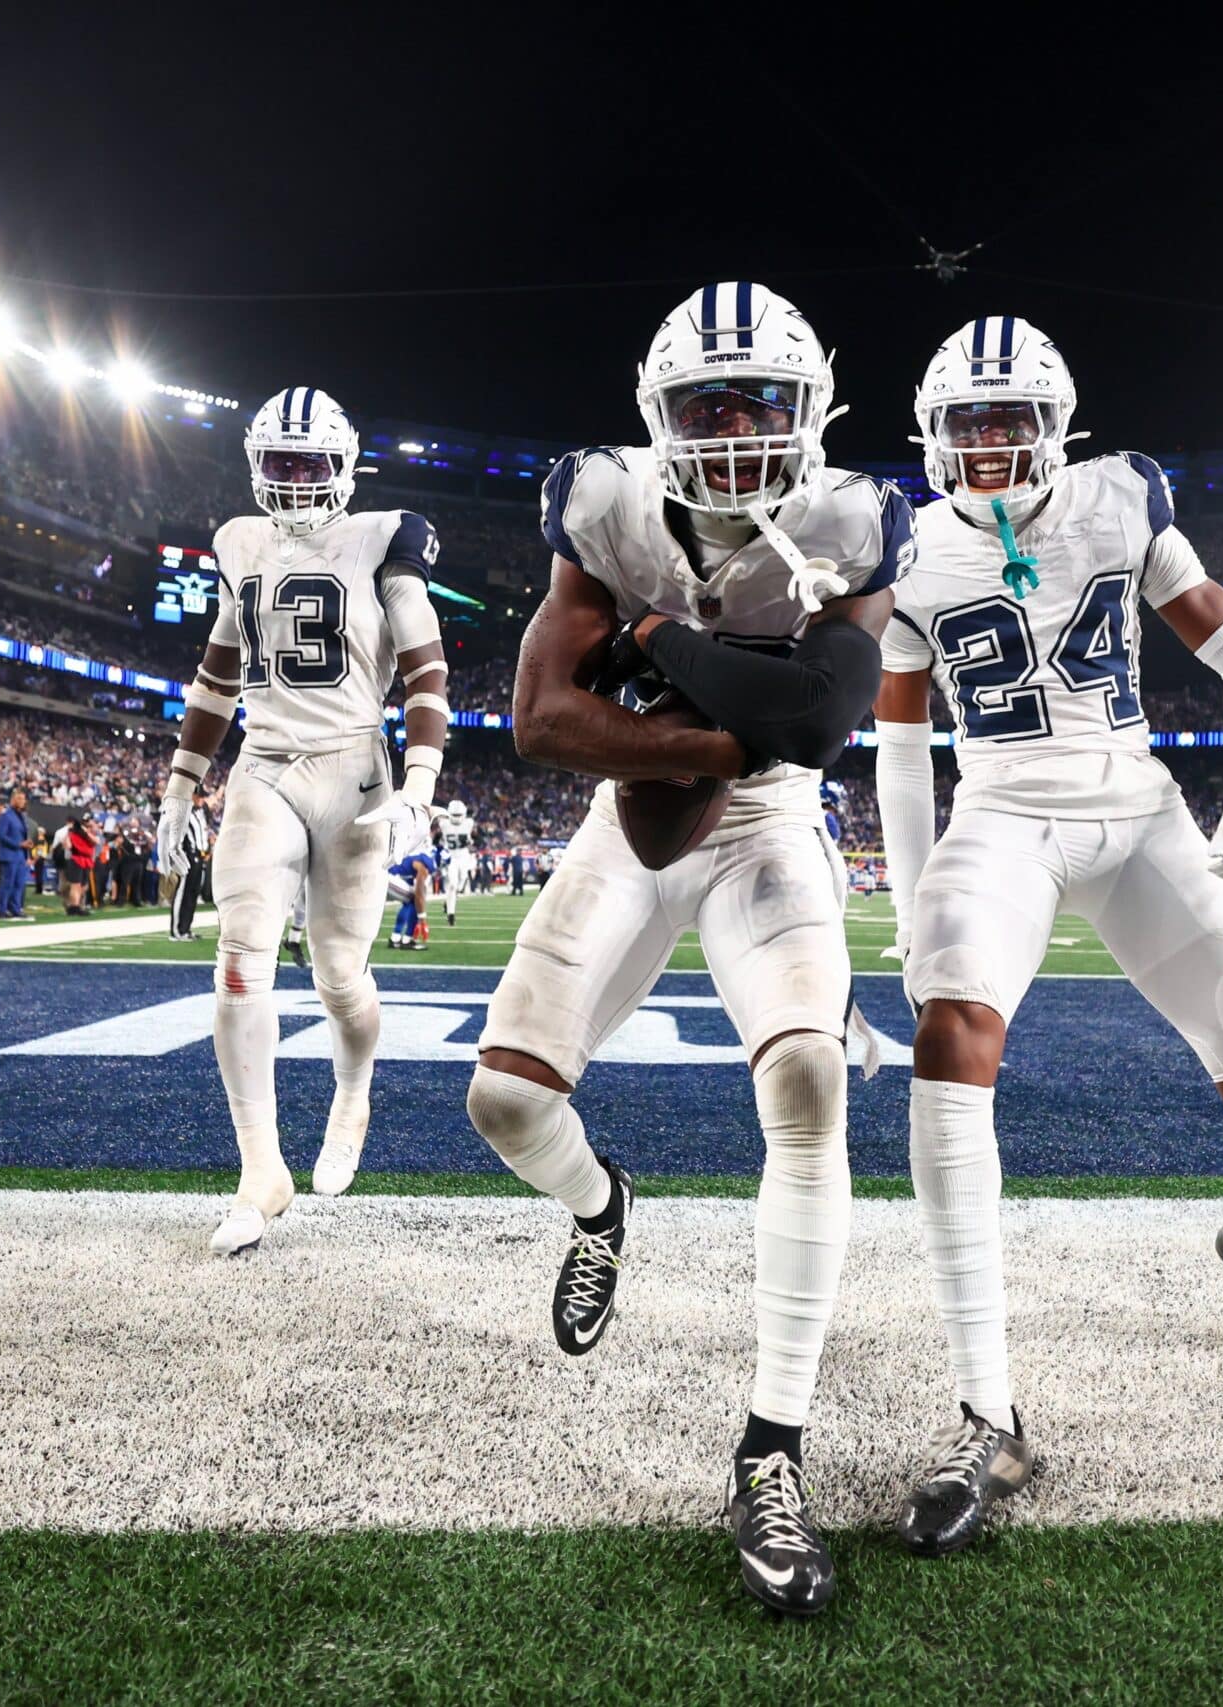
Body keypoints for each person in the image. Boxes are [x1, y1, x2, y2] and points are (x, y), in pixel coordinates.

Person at [873, 316, 1223, 1561]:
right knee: (950, 1041)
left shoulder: (1122, 498)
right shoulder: (905, 545)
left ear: (1058, 426)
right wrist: (906, 898)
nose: (988, 444)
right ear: (932, 436)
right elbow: (894, 741)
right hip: (999, 812)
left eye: (1011, 420)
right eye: (966, 424)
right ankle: (987, 1409)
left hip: (1139, 807)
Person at [466, 283, 904, 1618]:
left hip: (772, 832)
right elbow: (540, 718)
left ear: (808, 410)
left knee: (809, 1084)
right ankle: (603, 1203)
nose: (730, 428)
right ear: (657, 417)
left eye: (758, 400)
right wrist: (728, 731)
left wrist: (669, 653)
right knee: (503, 1098)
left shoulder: (848, 520)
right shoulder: (601, 507)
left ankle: (770, 1451)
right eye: (704, 402)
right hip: (632, 823)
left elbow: (826, 719)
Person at [154, 383, 451, 1241]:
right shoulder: (239, 542)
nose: (289, 478)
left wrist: (421, 782)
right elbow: (216, 674)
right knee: (241, 955)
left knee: (338, 977)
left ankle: (352, 1092)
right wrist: (181, 782)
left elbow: (427, 671)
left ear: (342, 466)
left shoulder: (383, 537)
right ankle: (259, 1169)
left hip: (357, 770)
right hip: (266, 763)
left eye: (306, 462)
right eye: (276, 462)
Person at [165, 792, 212, 942]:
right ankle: (176, 931)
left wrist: (207, 849)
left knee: (193, 894)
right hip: (187, 858)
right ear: (191, 796)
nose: (202, 799)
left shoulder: (201, 813)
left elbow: (202, 834)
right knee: (182, 894)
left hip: (200, 856)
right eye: (199, 796)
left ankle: (186, 929)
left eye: (203, 797)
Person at [385, 842, 435, 950]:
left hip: (386, 878)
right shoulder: (424, 864)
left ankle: (397, 938)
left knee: (410, 901)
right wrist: (422, 919)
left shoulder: (414, 859)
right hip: (387, 879)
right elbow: (419, 894)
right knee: (413, 899)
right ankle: (406, 939)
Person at [0, 790, 34, 920]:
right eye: (19, 798)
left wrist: (26, 846)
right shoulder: (6, 816)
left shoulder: (21, 816)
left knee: (19, 884)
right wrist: (19, 844)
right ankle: (2, 909)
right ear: (13, 800)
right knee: (7, 883)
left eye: (23, 799)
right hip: (10, 854)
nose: (22, 801)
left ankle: (15, 908)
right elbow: (1, 836)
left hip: (20, 855)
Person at [436, 798, 475, 926]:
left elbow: (471, 839)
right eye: (454, 815)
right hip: (451, 857)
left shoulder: (469, 823)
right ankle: (451, 915)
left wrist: (470, 841)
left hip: (464, 856)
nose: (457, 818)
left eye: (459, 815)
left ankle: (448, 902)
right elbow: (438, 841)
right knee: (452, 885)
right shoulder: (444, 824)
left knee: (461, 884)